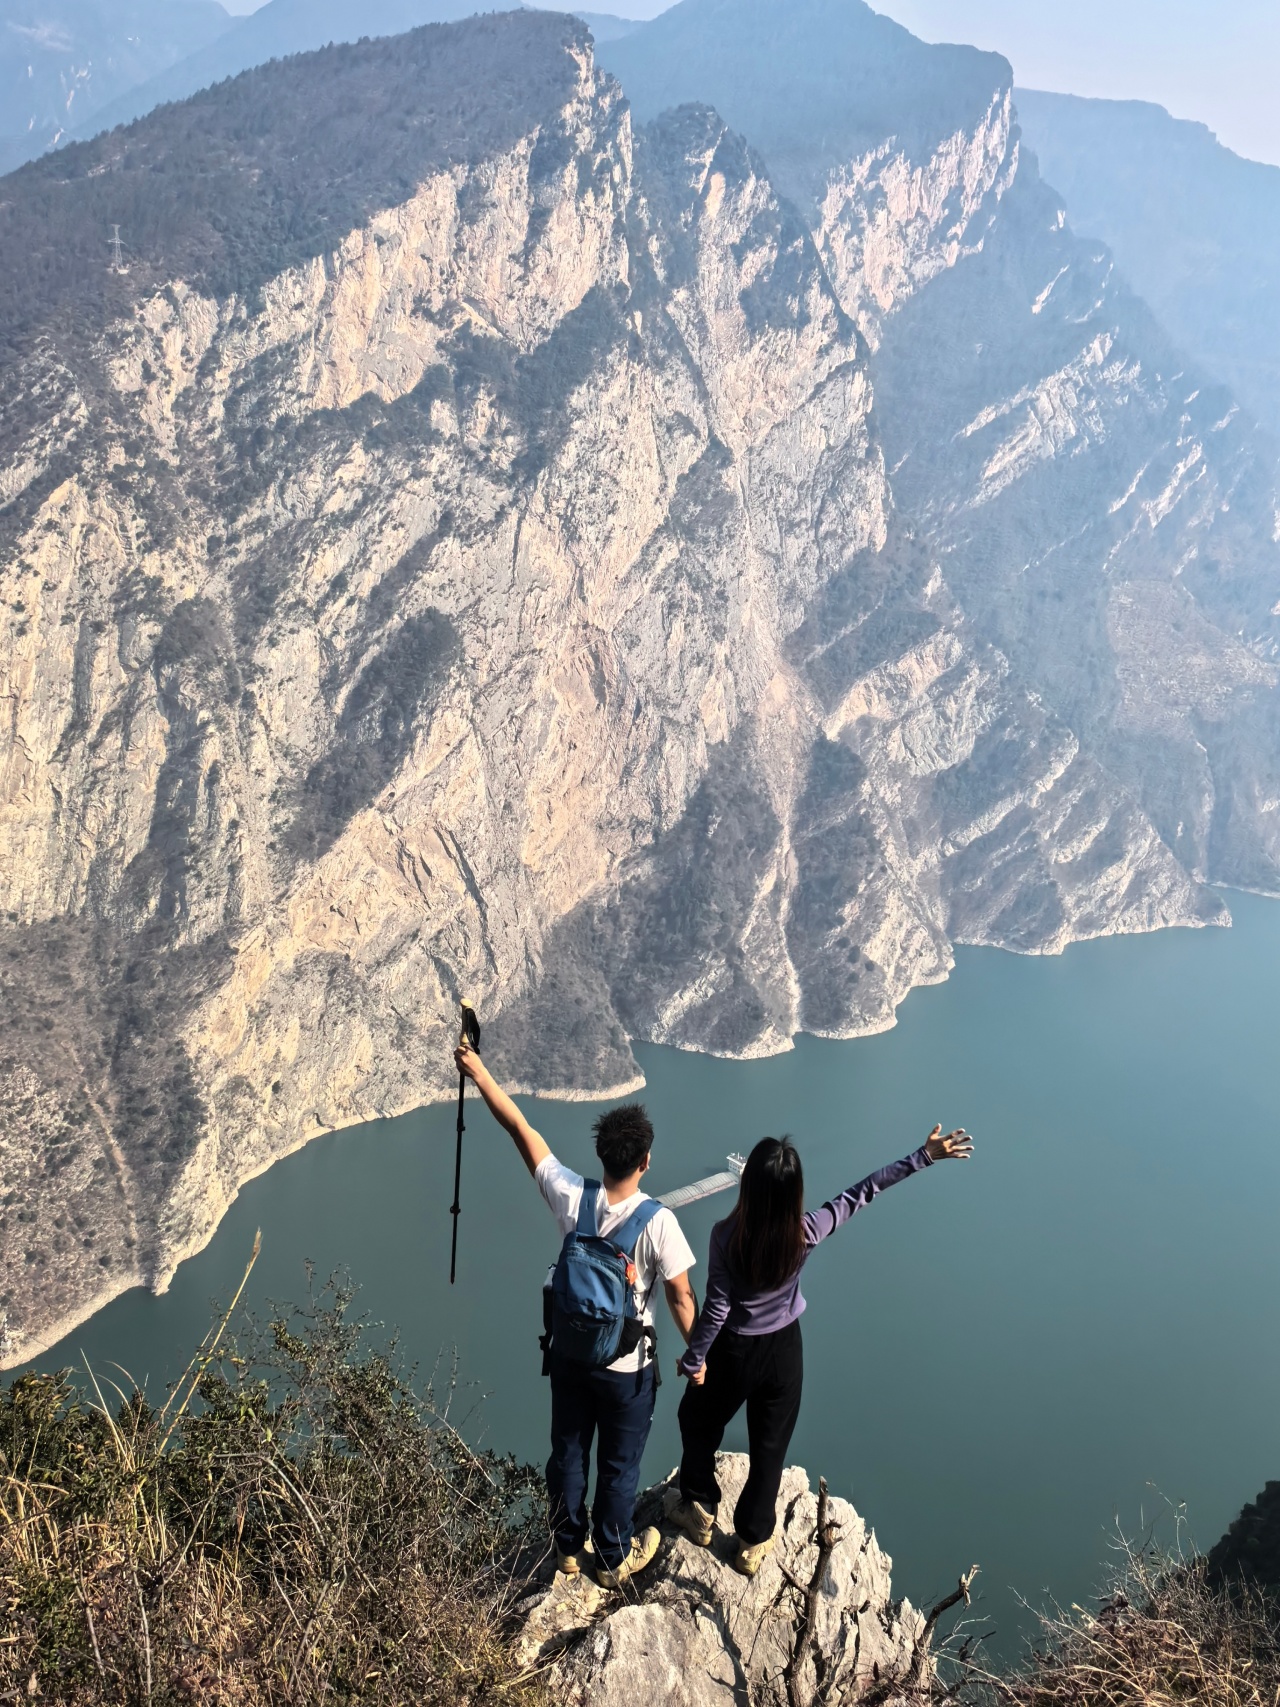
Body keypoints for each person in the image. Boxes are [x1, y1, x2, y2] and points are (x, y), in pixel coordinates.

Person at [668, 1123, 973, 1576]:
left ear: (748, 1187)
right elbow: (863, 1192)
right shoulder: (805, 1232)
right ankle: (751, 1542)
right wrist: (923, 1156)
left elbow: (716, 1308)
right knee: (769, 1447)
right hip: (783, 1354)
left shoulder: (725, 1235)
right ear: (793, 1192)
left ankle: (699, 1509)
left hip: (733, 1351)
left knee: (696, 1419)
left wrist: (695, 1360)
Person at [454, 1039, 699, 1588]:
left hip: (568, 1355)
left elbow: (519, 1128)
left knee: (567, 1453)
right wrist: (700, 1355)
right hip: (626, 1372)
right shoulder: (660, 1223)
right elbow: (682, 1297)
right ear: (645, 1161)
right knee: (618, 1465)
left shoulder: (570, 1195)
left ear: (601, 1156)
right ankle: (611, 1559)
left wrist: (479, 1071)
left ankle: (568, 1548)